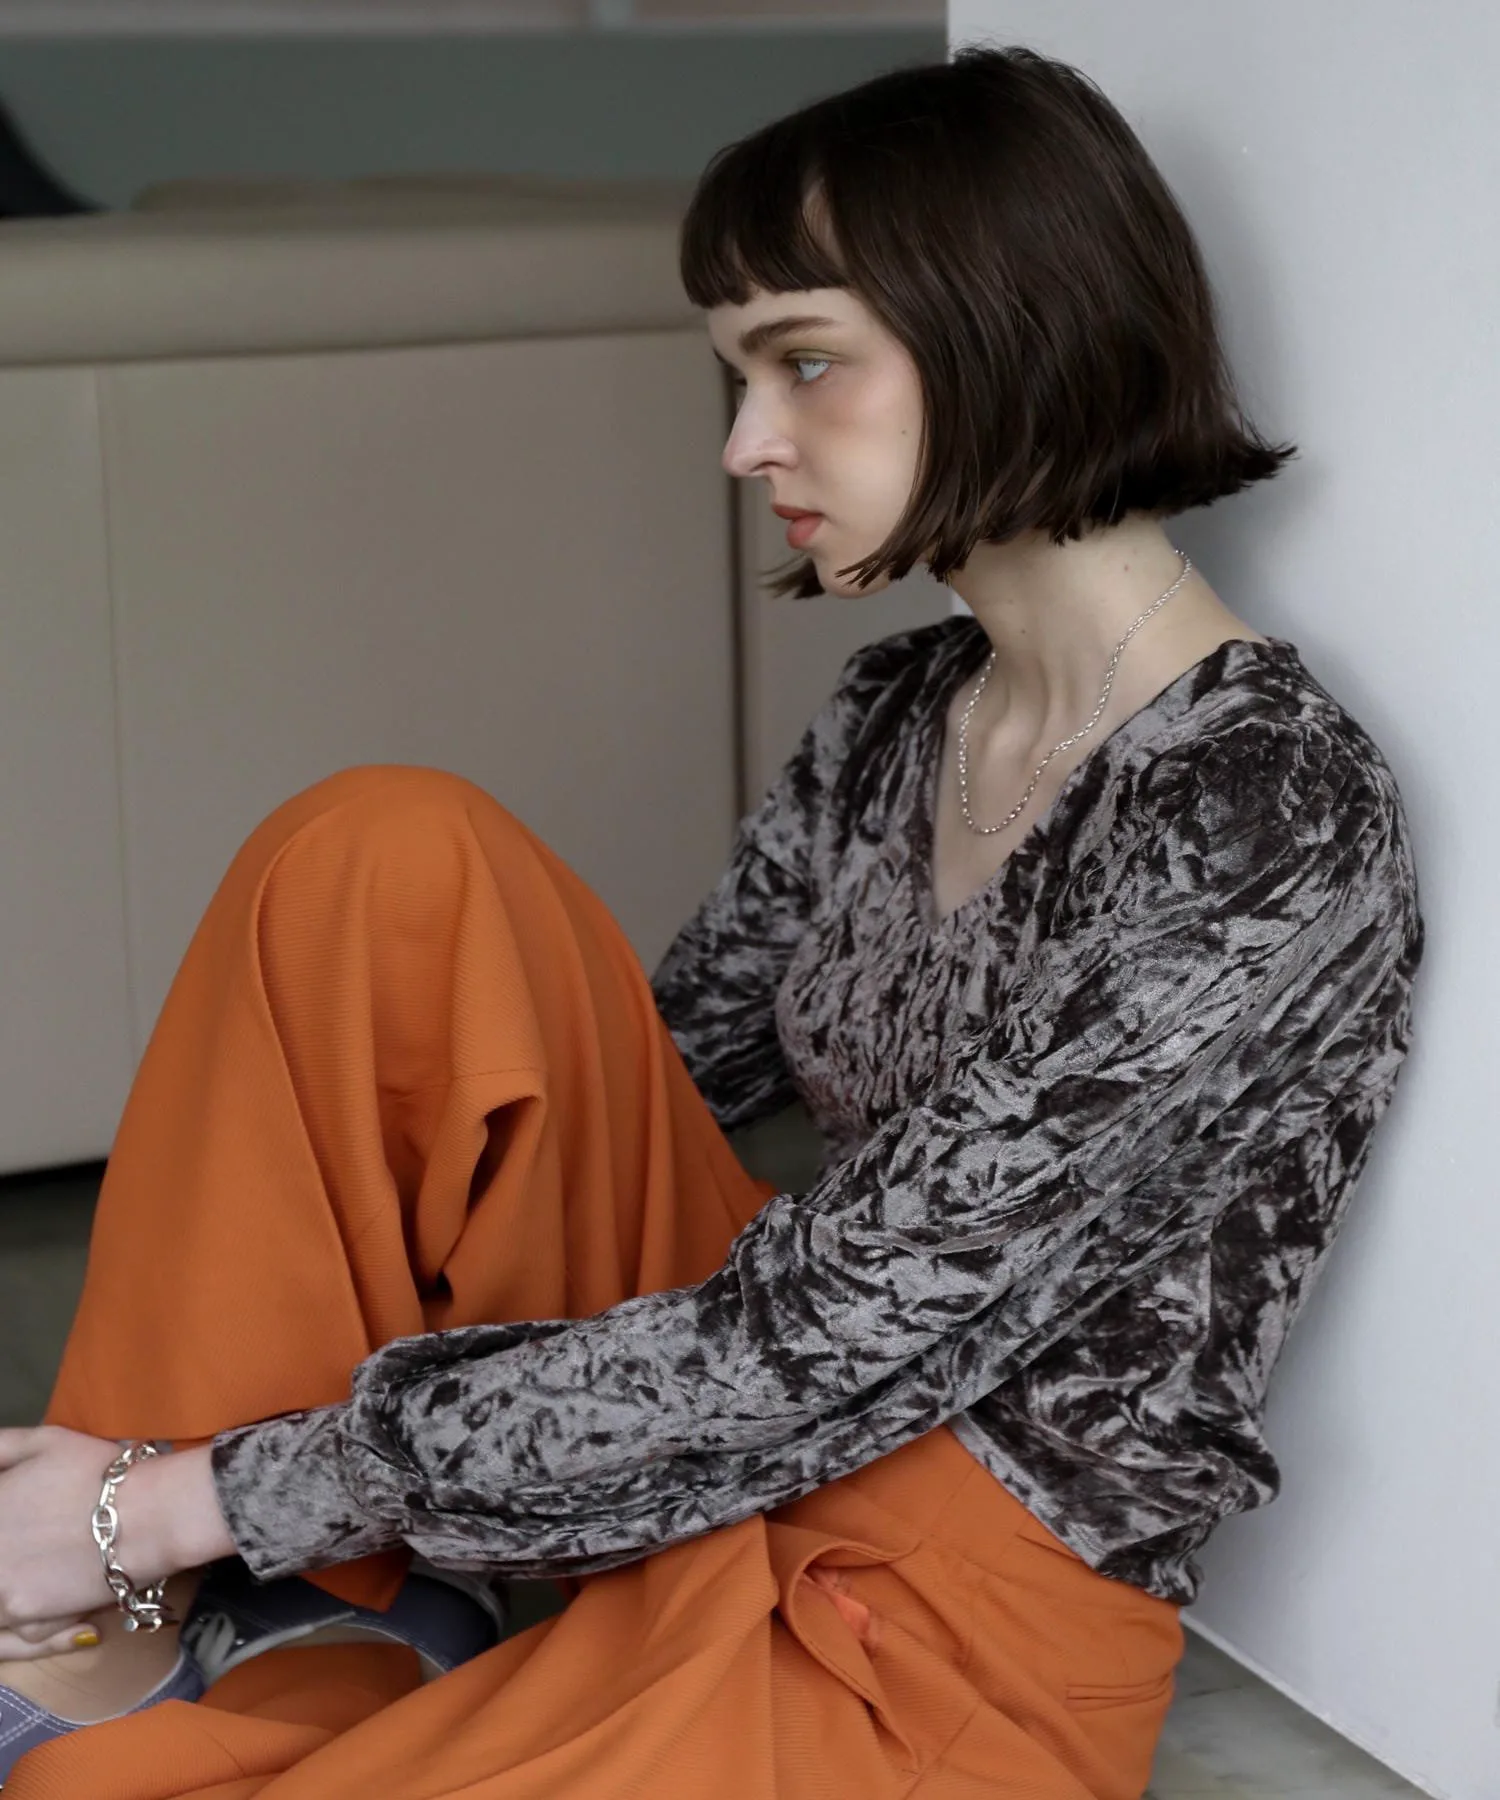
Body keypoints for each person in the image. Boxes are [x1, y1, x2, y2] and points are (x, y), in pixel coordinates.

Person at [0, 43, 1422, 1800]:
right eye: (737, 376)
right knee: (379, 855)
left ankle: (202, 1565)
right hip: (723, 1430)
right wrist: (250, 1475)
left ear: (1014, 329)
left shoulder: (1262, 807)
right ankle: (151, 1597)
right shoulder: (905, 707)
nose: (746, 442)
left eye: (804, 362)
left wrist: (235, 1488)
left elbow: (825, 1332)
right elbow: (637, 1074)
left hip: (940, 1617)